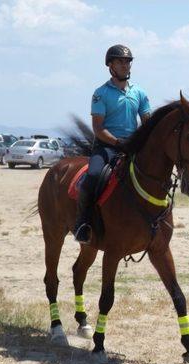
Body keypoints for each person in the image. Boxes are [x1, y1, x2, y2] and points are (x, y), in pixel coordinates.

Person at [73, 44, 151, 244]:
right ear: (110, 66)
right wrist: (118, 142)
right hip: (106, 146)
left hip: (132, 147)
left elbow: (147, 123)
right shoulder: (100, 93)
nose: (125, 65)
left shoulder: (140, 93)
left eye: (127, 62)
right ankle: (84, 223)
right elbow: (98, 128)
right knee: (92, 176)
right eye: (120, 61)